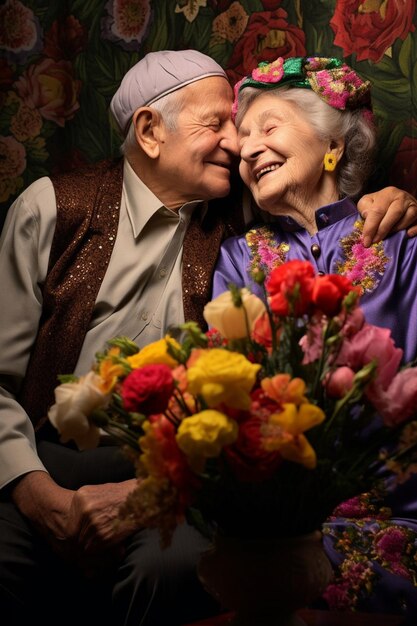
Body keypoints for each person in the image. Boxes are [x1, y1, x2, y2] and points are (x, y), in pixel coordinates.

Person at [0, 49, 415, 626]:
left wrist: (397, 202)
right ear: (149, 132)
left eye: (254, 128)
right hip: (47, 460)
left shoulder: (247, 228)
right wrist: (38, 494)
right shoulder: (63, 211)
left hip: (193, 474)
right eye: (220, 126)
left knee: (176, 572)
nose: (240, 145)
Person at [211, 56, 417, 622]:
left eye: (269, 127)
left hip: (402, 512)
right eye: (242, 140)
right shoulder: (238, 258)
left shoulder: (403, 245)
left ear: (333, 143)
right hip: (282, 521)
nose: (249, 150)